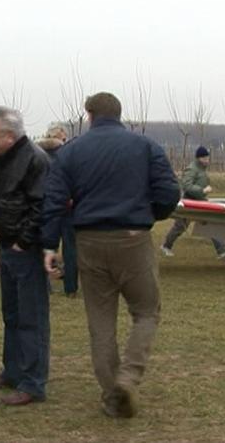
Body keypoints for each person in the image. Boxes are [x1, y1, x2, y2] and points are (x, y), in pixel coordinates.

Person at [41, 92, 179, 418]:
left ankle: (110, 392)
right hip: (133, 238)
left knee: (101, 323)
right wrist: (150, 214)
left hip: (89, 240)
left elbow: (53, 199)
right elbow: (169, 192)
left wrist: (49, 244)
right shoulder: (146, 147)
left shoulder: (71, 151)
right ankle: (127, 379)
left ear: (89, 115)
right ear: (119, 114)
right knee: (146, 311)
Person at [0, 106, 50, 406]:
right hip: (7, 247)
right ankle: (12, 371)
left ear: (9, 135)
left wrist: (24, 241)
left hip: (26, 251)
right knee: (11, 315)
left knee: (31, 317)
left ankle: (33, 382)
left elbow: (40, 204)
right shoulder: (1, 159)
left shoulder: (34, 159)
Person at [160, 145, 225, 260]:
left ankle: (222, 252)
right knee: (179, 227)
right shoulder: (192, 169)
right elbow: (186, 185)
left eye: (208, 158)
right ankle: (166, 246)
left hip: (200, 202)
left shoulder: (201, 170)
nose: (207, 160)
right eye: (205, 158)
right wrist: (202, 190)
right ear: (199, 158)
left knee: (210, 224)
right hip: (190, 203)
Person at [36, 125, 78, 297]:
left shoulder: (37, 154)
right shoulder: (68, 155)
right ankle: (71, 287)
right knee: (70, 248)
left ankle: (43, 284)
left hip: (45, 205)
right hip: (66, 206)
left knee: (44, 244)